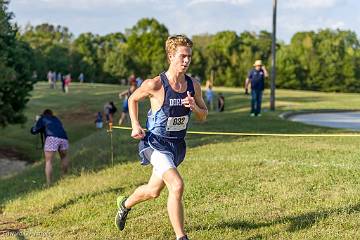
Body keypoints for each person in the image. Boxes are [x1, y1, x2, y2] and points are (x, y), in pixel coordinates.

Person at [114, 35, 208, 240]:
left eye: (189, 57)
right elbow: (132, 99)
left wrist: (194, 107)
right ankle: (181, 237)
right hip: (154, 144)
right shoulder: (155, 84)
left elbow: (203, 115)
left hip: (176, 146)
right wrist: (135, 124)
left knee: (153, 191)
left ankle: (125, 204)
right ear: (171, 56)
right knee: (177, 185)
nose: (186, 60)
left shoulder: (194, 85)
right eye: (182, 56)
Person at [30, 109, 69, 185]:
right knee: (64, 157)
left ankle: (49, 183)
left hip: (52, 138)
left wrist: (37, 122)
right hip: (64, 137)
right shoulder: (56, 119)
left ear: (43, 114)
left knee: (49, 161)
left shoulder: (43, 118)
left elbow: (34, 130)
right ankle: (65, 177)